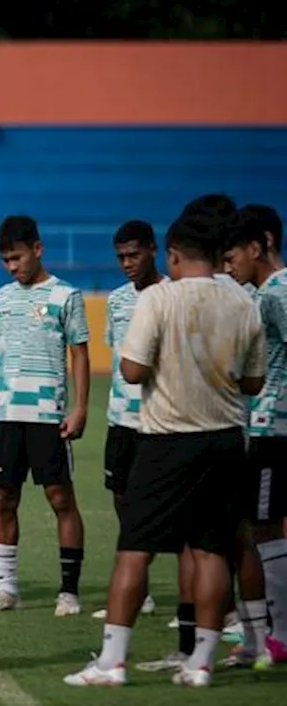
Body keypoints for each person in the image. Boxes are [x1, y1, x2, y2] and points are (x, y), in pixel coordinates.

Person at [64, 208, 266, 688]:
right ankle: (201, 662)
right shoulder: (243, 302)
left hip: (166, 438)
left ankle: (112, 661)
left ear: (172, 255)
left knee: (134, 550)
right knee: (212, 550)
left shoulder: (158, 299)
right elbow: (254, 382)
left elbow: (131, 370)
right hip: (224, 440)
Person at [0, 215, 90, 616]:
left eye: (16, 257)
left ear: (36, 250)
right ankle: (7, 590)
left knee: (60, 498)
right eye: (5, 260)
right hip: (6, 415)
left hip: (47, 414)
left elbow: (80, 354)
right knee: (3, 498)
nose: (11, 267)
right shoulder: (2, 298)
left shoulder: (66, 297)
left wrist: (80, 408)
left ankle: (69, 591)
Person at [222, 206, 287, 668]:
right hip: (262, 427)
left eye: (232, 258)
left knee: (263, 528)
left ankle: (278, 635)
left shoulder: (277, 294)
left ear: (257, 246)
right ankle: (265, 633)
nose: (229, 268)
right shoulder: (266, 293)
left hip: (273, 429)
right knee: (255, 527)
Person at [91, 221, 163, 621]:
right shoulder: (117, 301)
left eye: (133, 255)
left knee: (164, 507)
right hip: (120, 417)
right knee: (122, 500)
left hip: (160, 420)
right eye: (120, 257)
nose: (126, 263)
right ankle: (142, 591)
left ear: (153, 249)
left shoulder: (170, 296)